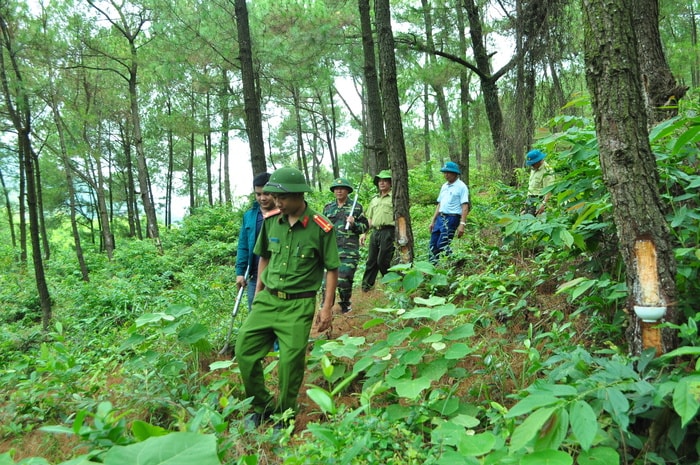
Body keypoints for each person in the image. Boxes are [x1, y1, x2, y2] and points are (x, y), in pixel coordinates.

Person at [234, 166, 340, 429]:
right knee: (244, 351)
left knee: (290, 364)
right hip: (268, 300)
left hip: (298, 304)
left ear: (298, 196)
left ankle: (284, 415)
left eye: (281, 198)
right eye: (274, 197)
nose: (276, 202)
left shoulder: (320, 227)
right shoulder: (271, 222)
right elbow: (264, 258)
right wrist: (258, 294)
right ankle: (261, 407)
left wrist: (326, 308)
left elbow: (332, 269)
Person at [322, 177, 369, 314]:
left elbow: (365, 227)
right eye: (336, 189)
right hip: (331, 251)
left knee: (344, 281)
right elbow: (322, 228)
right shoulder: (328, 208)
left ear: (347, 191)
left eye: (342, 189)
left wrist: (354, 224)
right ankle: (325, 307)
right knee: (326, 283)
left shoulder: (356, 207)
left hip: (349, 252)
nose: (339, 191)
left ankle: (345, 305)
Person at [235, 172, 275, 310]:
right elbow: (243, 245)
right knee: (255, 314)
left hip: (278, 276)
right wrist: (240, 272)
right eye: (258, 194)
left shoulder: (285, 214)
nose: (262, 198)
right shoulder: (250, 216)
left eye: (266, 194)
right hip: (255, 276)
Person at [429, 161, 470, 263]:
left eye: (448, 172)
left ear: (455, 173)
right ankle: (432, 268)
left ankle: (456, 261)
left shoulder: (461, 187)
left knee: (442, 243)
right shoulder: (444, 186)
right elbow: (440, 204)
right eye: (445, 172)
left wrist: (462, 224)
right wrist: (433, 221)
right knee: (433, 245)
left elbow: (465, 206)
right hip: (440, 218)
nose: (446, 175)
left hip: (452, 218)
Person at [360, 169, 394, 292]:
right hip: (375, 232)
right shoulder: (374, 200)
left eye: (385, 181)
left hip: (388, 231)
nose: (382, 183)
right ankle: (366, 288)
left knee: (383, 260)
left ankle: (391, 285)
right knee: (371, 261)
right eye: (380, 181)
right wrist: (364, 233)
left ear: (390, 183)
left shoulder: (394, 198)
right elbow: (369, 218)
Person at [522, 149, 555, 216]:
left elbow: (549, 190)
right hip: (530, 199)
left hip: (539, 200)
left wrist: (543, 204)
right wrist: (527, 202)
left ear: (539, 161)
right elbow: (532, 187)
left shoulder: (547, 171)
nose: (532, 166)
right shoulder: (534, 169)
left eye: (533, 164)